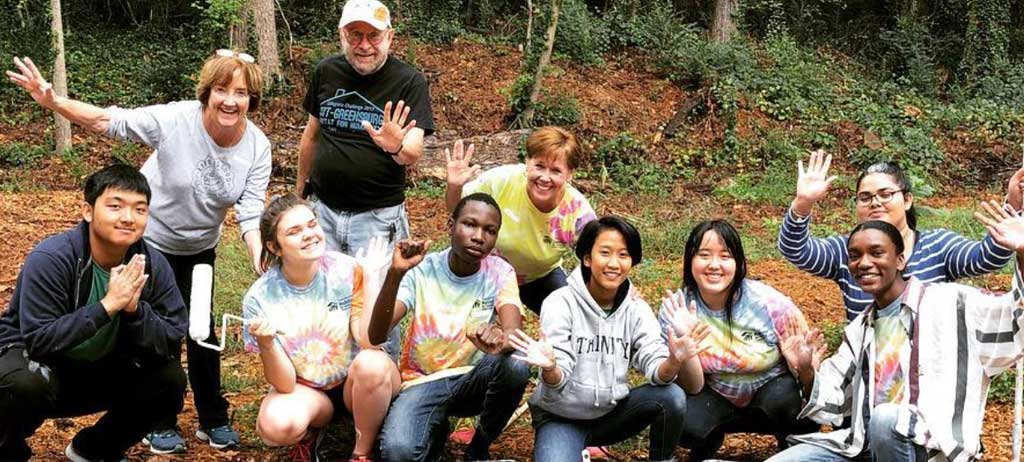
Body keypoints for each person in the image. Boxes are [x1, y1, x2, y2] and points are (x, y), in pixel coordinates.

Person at [6, 50, 271, 451]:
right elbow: (109, 120)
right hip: (146, 241)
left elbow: (251, 211)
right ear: (206, 93)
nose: (230, 100)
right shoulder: (176, 120)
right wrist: (53, 100)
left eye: (242, 92)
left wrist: (259, 257)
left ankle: (211, 416)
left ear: (252, 99)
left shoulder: (257, 146)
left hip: (200, 245)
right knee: (132, 324)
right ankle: (159, 423)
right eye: (221, 89)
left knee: (198, 330)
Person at [768, 209, 1024, 462]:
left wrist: (1023, 253)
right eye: (855, 256)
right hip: (864, 446)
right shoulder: (861, 328)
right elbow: (834, 402)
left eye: (877, 253)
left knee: (887, 418)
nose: (864, 263)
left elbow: (1015, 321)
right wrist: (805, 370)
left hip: (931, 451)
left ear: (900, 260)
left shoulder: (952, 302)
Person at [0, 165, 187, 462]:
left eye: (140, 209)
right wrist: (107, 306)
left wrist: (135, 312)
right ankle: (7, 449)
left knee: (169, 380)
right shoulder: (52, 258)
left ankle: (93, 450)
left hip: (102, 371)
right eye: (115, 206)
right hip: (42, 370)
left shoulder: (152, 264)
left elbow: (174, 333)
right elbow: (38, 339)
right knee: (22, 385)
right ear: (88, 211)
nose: (128, 217)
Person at [509, 216, 698, 462]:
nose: (614, 263)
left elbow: (655, 367)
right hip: (561, 417)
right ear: (587, 258)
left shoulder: (636, 309)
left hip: (612, 414)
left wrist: (674, 360)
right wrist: (552, 367)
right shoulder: (560, 303)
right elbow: (558, 376)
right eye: (605, 253)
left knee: (671, 396)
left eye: (623, 255)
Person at [366, 193, 530, 461]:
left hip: (472, 379)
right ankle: (435, 429)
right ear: (450, 225)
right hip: (422, 382)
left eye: (490, 231)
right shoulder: (423, 269)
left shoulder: (499, 272)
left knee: (516, 363)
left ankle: (477, 451)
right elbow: (376, 334)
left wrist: (500, 340)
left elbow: (514, 331)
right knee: (400, 452)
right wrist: (395, 274)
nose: (479, 236)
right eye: (470, 224)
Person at [242, 195, 401, 462]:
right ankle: (311, 434)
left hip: (356, 381)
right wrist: (266, 343)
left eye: (312, 225)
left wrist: (372, 278)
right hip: (309, 390)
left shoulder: (346, 270)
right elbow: (285, 383)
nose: (308, 235)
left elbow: (369, 342)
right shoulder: (260, 298)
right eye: (294, 232)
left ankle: (362, 451)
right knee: (274, 426)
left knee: (372, 363)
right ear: (275, 246)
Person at [778, 150, 1017, 320]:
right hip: (871, 365)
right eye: (865, 197)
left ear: (907, 200)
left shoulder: (938, 246)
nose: (875, 203)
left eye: (885, 194)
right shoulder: (847, 252)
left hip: (927, 368)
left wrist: (1013, 208)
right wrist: (803, 204)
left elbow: (986, 258)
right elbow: (796, 250)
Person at [659, 220, 814, 461]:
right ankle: (709, 440)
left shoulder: (770, 304)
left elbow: (811, 379)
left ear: (738, 263)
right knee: (684, 420)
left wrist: (804, 369)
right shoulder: (678, 310)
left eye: (725, 256)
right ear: (689, 260)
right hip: (715, 394)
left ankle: (792, 445)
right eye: (704, 255)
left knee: (791, 402)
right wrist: (686, 344)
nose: (714, 265)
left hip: (772, 393)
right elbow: (693, 387)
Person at [296, 0, 434, 257]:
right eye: (355, 35)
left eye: (374, 35)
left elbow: (413, 151)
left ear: (390, 37)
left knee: (375, 295)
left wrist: (396, 146)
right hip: (322, 212)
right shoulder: (325, 72)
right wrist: (299, 195)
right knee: (322, 292)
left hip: (377, 220)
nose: (364, 45)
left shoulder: (410, 82)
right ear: (342, 35)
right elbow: (312, 134)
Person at [445, 127, 597, 313]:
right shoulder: (501, 180)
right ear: (527, 162)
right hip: (486, 270)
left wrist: (622, 289)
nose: (545, 178)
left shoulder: (578, 212)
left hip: (540, 276)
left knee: (572, 316)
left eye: (556, 171)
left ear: (569, 174)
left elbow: (598, 256)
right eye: (539, 166)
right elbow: (457, 212)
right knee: (468, 331)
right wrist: (454, 187)